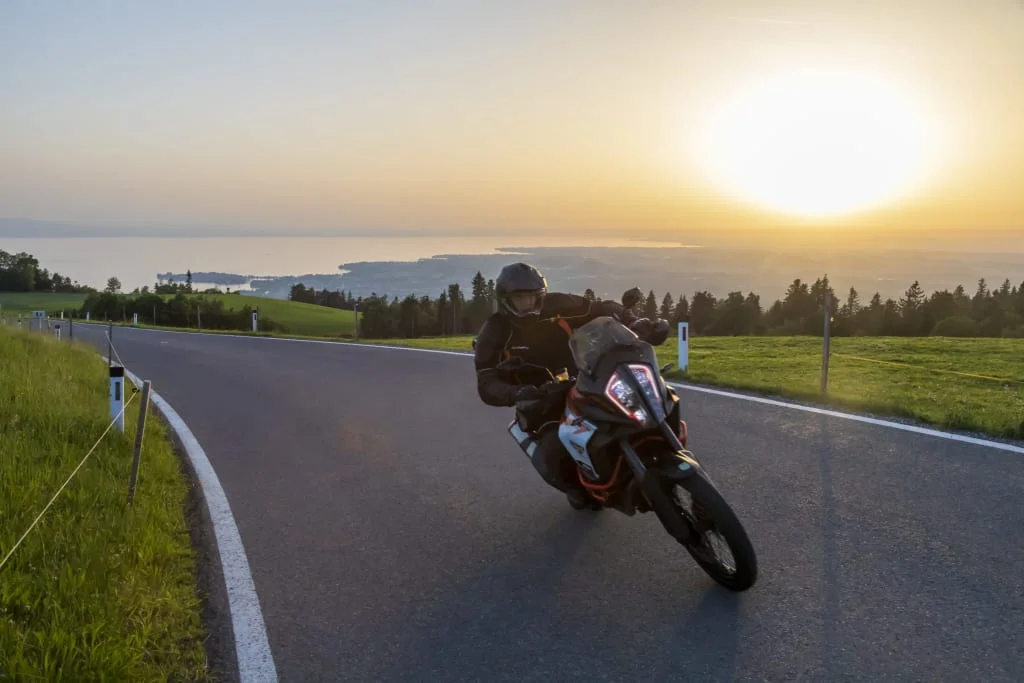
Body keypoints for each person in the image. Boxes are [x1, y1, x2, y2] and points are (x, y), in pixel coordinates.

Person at [473, 262, 661, 508]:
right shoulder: (495, 330)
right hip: (540, 400)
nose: (530, 304)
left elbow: (600, 308)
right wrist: (518, 393)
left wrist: (633, 321)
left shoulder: (557, 304)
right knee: (553, 450)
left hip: (585, 378)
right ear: (506, 300)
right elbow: (486, 381)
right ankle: (579, 489)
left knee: (638, 398)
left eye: (534, 297)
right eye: (521, 298)